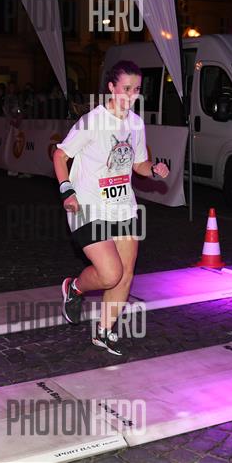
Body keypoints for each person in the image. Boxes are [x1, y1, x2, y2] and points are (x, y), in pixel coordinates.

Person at [52, 60, 169, 355]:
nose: (131, 95)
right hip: (88, 206)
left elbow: (138, 164)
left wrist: (154, 170)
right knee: (110, 273)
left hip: (123, 207)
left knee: (126, 273)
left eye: (137, 89)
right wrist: (67, 190)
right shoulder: (93, 121)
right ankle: (74, 288)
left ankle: (104, 330)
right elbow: (60, 155)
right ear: (111, 87)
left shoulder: (136, 124)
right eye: (126, 88)